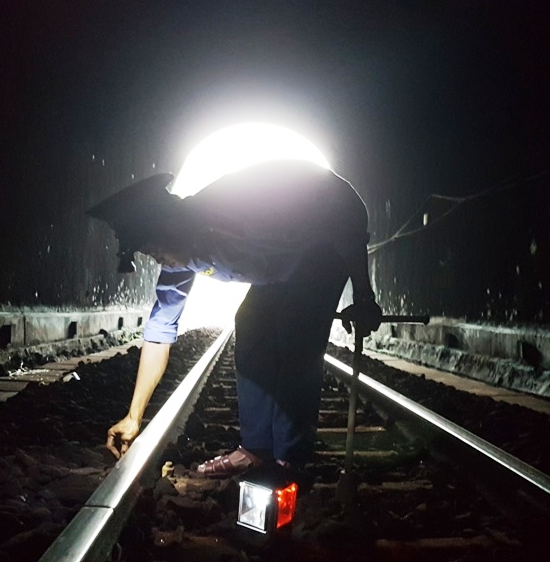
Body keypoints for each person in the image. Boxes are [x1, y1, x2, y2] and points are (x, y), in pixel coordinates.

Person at [89, 159, 382, 478]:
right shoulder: (178, 253)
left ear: (171, 226)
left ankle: (289, 460)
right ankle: (256, 451)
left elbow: (342, 223)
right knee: (250, 321)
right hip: (280, 260)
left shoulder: (237, 210)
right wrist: (133, 417)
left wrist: (364, 294)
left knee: (296, 332)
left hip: (327, 230)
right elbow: (160, 331)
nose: (158, 261)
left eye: (155, 252)